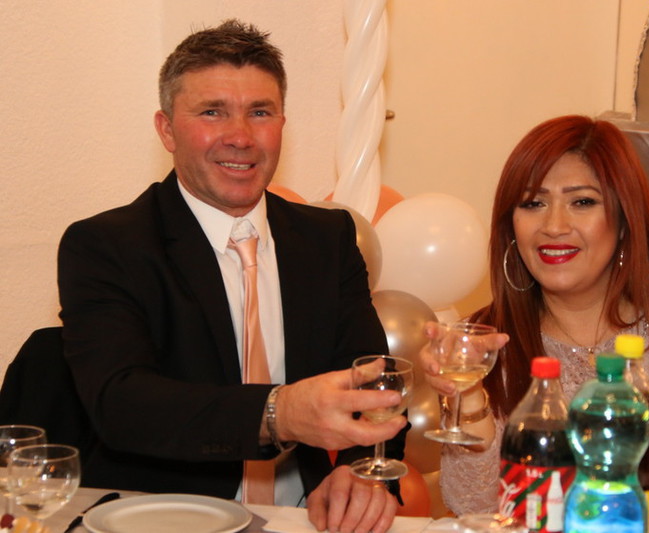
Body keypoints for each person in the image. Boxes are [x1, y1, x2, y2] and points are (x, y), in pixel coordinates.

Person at [57, 19, 406, 533]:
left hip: (305, 519)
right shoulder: (107, 245)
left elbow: (373, 381)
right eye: (212, 112)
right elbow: (122, 404)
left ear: (282, 123)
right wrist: (278, 412)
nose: (240, 137)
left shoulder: (327, 239)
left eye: (259, 112)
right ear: (166, 129)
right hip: (162, 519)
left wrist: (363, 473)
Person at [421, 115, 649, 526]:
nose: (554, 226)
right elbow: (477, 509)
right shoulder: (485, 344)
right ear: (511, 226)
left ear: (624, 219)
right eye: (533, 203)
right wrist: (468, 398)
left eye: (582, 202)